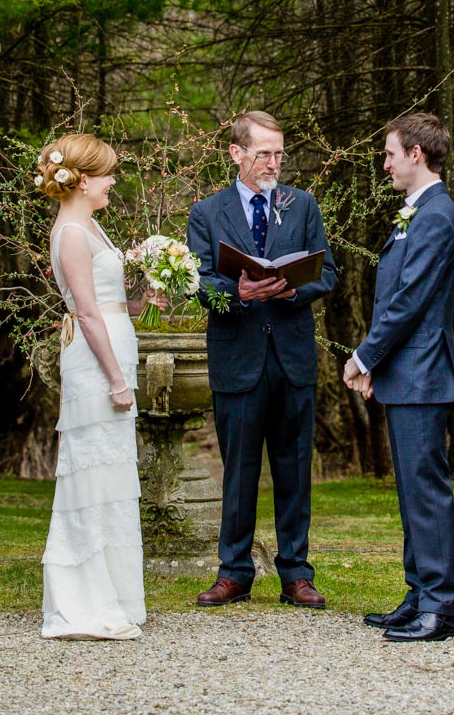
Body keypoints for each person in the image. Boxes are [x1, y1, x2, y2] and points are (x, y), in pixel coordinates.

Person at [187, 110, 338, 609]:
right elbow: (200, 282)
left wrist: (290, 289)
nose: (274, 162)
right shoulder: (206, 213)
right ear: (236, 153)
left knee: (294, 470)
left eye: (278, 153)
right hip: (238, 358)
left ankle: (296, 573)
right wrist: (240, 293)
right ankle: (234, 572)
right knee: (239, 471)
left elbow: (328, 273)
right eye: (263, 153)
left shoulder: (303, 206)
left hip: (292, 356)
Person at [344, 112, 454, 643]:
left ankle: (441, 609)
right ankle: (419, 597)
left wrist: (365, 357)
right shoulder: (418, 212)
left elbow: (410, 299)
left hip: (424, 372)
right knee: (413, 491)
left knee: (426, 490)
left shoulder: (436, 215)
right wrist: (380, 365)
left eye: (391, 153)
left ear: (417, 154)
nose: (385, 163)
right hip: (408, 371)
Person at [36, 132, 159, 640]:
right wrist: (115, 380)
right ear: (83, 180)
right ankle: (84, 599)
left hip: (110, 346)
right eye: (107, 174)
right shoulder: (70, 233)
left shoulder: (89, 226)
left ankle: (115, 592)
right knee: (92, 476)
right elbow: (85, 313)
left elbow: (108, 305)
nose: (112, 182)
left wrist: (146, 295)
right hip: (95, 362)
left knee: (111, 475)